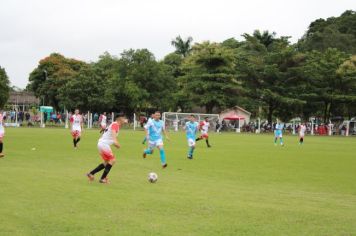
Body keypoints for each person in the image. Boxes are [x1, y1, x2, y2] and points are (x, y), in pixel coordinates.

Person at [86, 114, 128, 184]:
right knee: (112, 160)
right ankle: (102, 179)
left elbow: (110, 137)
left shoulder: (114, 124)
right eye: (123, 120)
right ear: (119, 120)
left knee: (106, 162)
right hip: (104, 145)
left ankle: (91, 173)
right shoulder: (115, 125)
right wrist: (117, 144)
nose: (125, 121)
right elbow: (114, 139)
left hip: (101, 143)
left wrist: (115, 144)